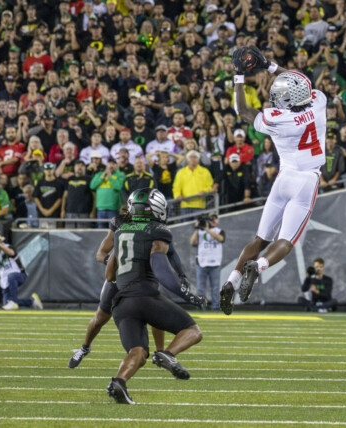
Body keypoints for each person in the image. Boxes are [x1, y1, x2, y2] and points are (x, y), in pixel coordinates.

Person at [220, 48, 325, 315]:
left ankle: (231, 280)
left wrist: (239, 75)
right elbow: (300, 80)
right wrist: (269, 66)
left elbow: (241, 109)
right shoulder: (319, 101)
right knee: (286, 241)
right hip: (307, 180)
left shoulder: (279, 119)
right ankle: (261, 266)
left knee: (259, 238)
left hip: (283, 179)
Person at [105, 188, 205, 404]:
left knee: (138, 352)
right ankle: (167, 354)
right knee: (193, 331)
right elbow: (161, 270)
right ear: (158, 208)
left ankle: (119, 382)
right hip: (146, 296)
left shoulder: (121, 230)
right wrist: (187, 295)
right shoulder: (157, 230)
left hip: (122, 302)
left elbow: (109, 274)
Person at [69, 202, 193, 369]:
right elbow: (101, 254)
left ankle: (162, 354)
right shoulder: (121, 225)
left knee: (158, 314)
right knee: (100, 318)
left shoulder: (154, 227)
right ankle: (84, 347)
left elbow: (170, 252)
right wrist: (116, 262)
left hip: (143, 278)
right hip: (119, 279)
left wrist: (181, 274)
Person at [0, 233, 42, 311]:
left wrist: (0, 245)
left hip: (19, 275)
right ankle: (32, 302)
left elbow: (11, 253)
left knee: (11, 276)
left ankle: (13, 302)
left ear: (0, 241)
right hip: (5, 281)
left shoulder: (8, 247)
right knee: (6, 304)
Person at [190, 213, 225, 311]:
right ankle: (201, 306)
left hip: (215, 263)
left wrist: (207, 229)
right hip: (202, 262)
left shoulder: (219, 231)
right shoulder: (200, 231)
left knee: (215, 287)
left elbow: (220, 239)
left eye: (215, 219)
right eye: (211, 219)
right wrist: (197, 228)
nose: (213, 221)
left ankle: (216, 306)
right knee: (200, 287)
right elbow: (193, 242)